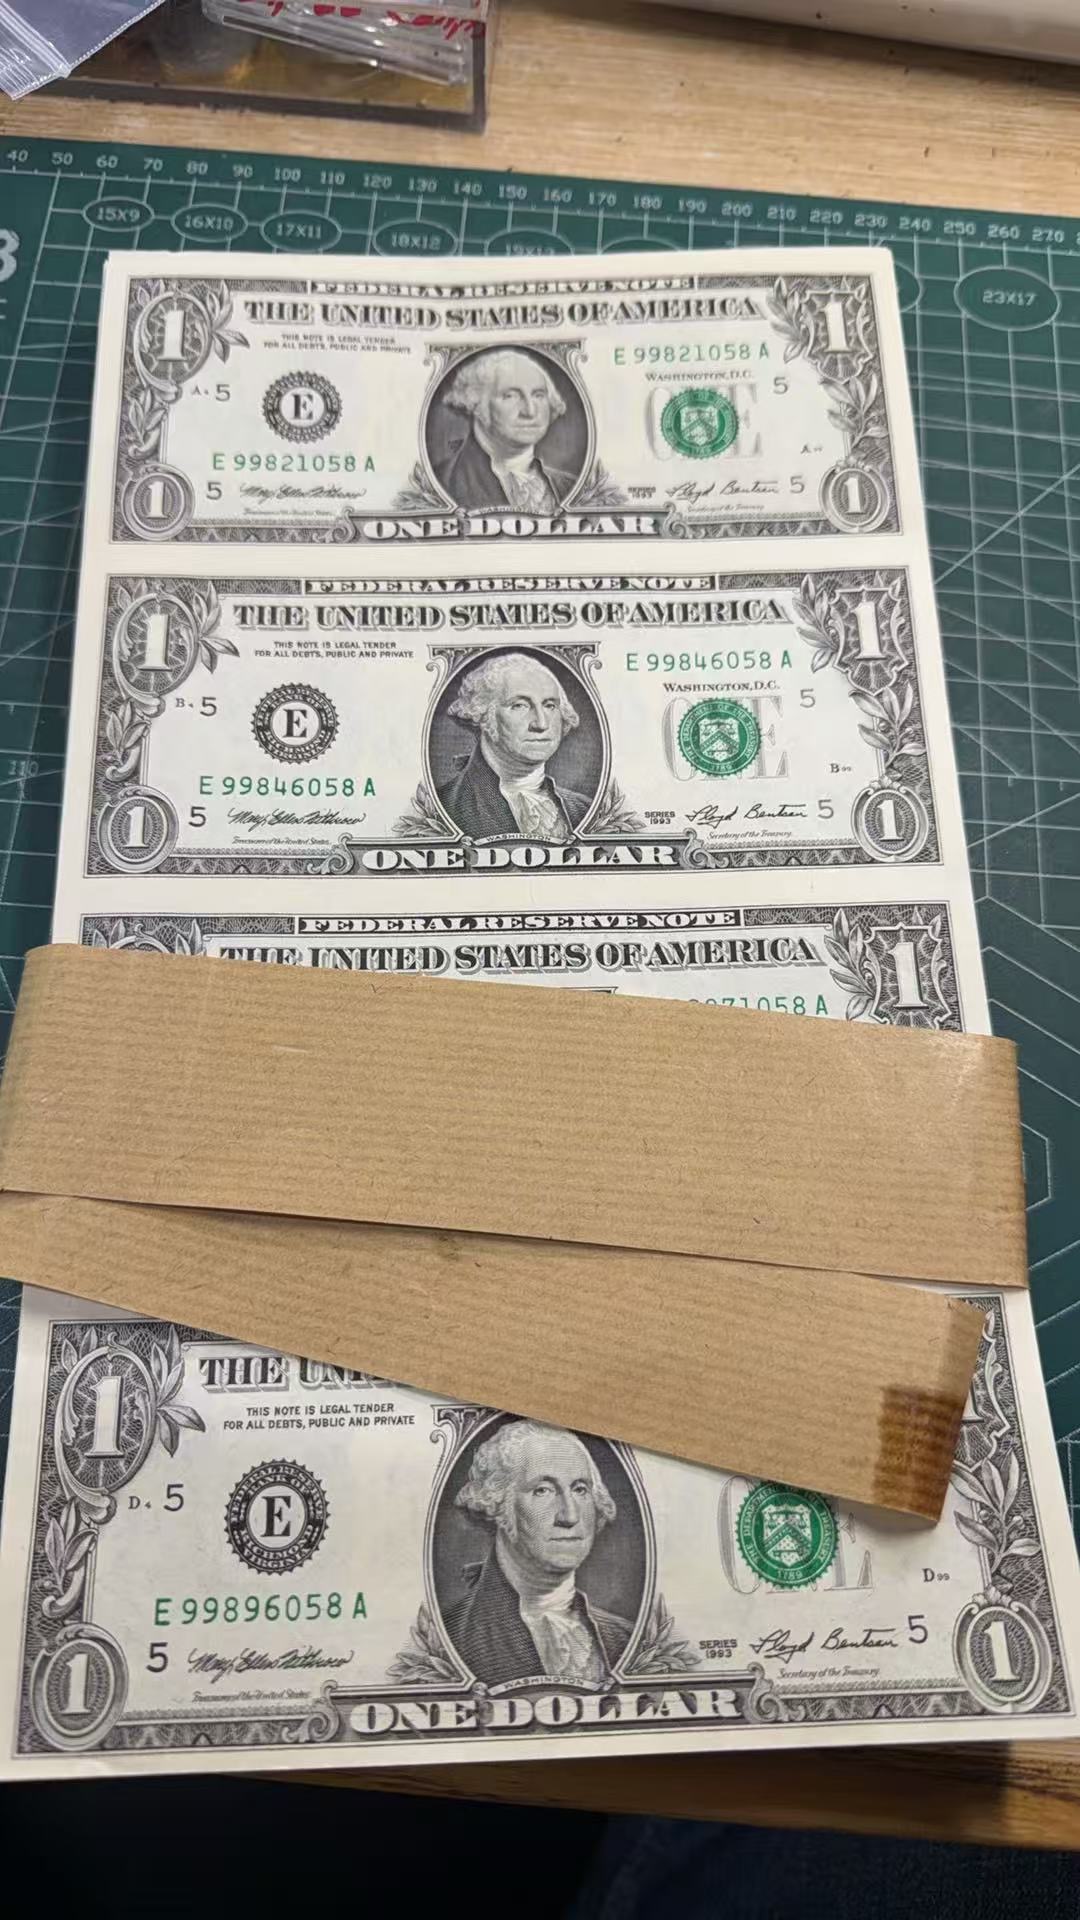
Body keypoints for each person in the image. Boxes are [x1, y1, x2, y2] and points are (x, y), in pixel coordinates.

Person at [443, 1420, 634, 1688]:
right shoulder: (449, 1639)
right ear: (497, 1503)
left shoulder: (626, 1638)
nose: (569, 1515)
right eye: (542, 1490)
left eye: (580, 1489)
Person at [437, 651, 593, 841]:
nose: (541, 724)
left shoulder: (583, 809)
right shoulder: (443, 808)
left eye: (550, 706)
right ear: (482, 714)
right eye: (519, 705)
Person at [434, 348, 578, 512]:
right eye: (510, 396)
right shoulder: (442, 483)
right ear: (476, 403)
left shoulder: (570, 486)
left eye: (538, 395)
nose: (530, 411)